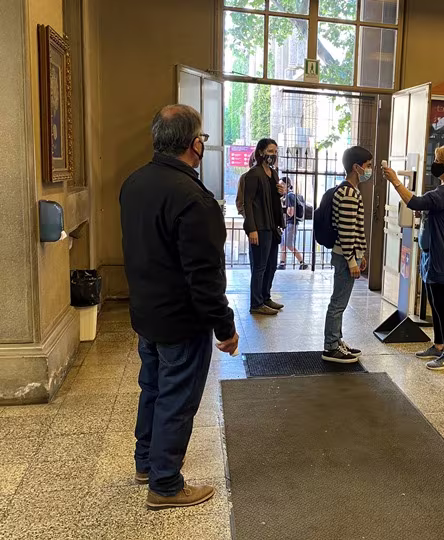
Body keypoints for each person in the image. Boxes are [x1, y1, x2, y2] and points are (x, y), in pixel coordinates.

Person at [120, 104, 239, 509]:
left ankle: (146, 463)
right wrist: (225, 328)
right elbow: (204, 277)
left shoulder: (134, 183)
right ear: (194, 144)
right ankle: (166, 484)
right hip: (181, 321)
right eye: (202, 137)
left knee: (153, 388)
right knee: (176, 398)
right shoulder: (193, 198)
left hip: (146, 312)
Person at [383, 145, 444, 370]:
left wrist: (395, 180)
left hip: (442, 257)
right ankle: (439, 345)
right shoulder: (443, 190)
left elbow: (416, 202)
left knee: (442, 306)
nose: (434, 163)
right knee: (435, 305)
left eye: (439, 160)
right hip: (432, 256)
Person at [322, 146, 371, 363]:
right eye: (368, 166)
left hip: (348, 254)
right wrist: (352, 260)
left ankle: (336, 341)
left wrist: (361, 254)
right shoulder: (349, 193)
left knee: (340, 301)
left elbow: (354, 230)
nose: (369, 170)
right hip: (345, 256)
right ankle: (331, 347)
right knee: (338, 302)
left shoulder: (348, 190)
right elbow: (347, 231)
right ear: (356, 167)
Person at [243, 138, 287, 315]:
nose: (273, 155)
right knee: (259, 266)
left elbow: (272, 198)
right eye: (270, 151)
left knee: (271, 265)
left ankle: (265, 297)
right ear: (261, 152)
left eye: (275, 151)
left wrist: (281, 193)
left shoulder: (273, 173)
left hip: (272, 225)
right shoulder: (253, 174)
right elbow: (247, 202)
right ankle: (256, 303)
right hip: (260, 226)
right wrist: (252, 228)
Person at [278, 178, 309, 270]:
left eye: (282, 184)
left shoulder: (289, 196)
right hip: (289, 223)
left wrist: (284, 209)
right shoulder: (289, 195)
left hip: (291, 223)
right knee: (283, 244)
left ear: (287, 185)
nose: (280, 186)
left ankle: (302, 262)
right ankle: (282, 263)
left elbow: (291, 212)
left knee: (289, 244)